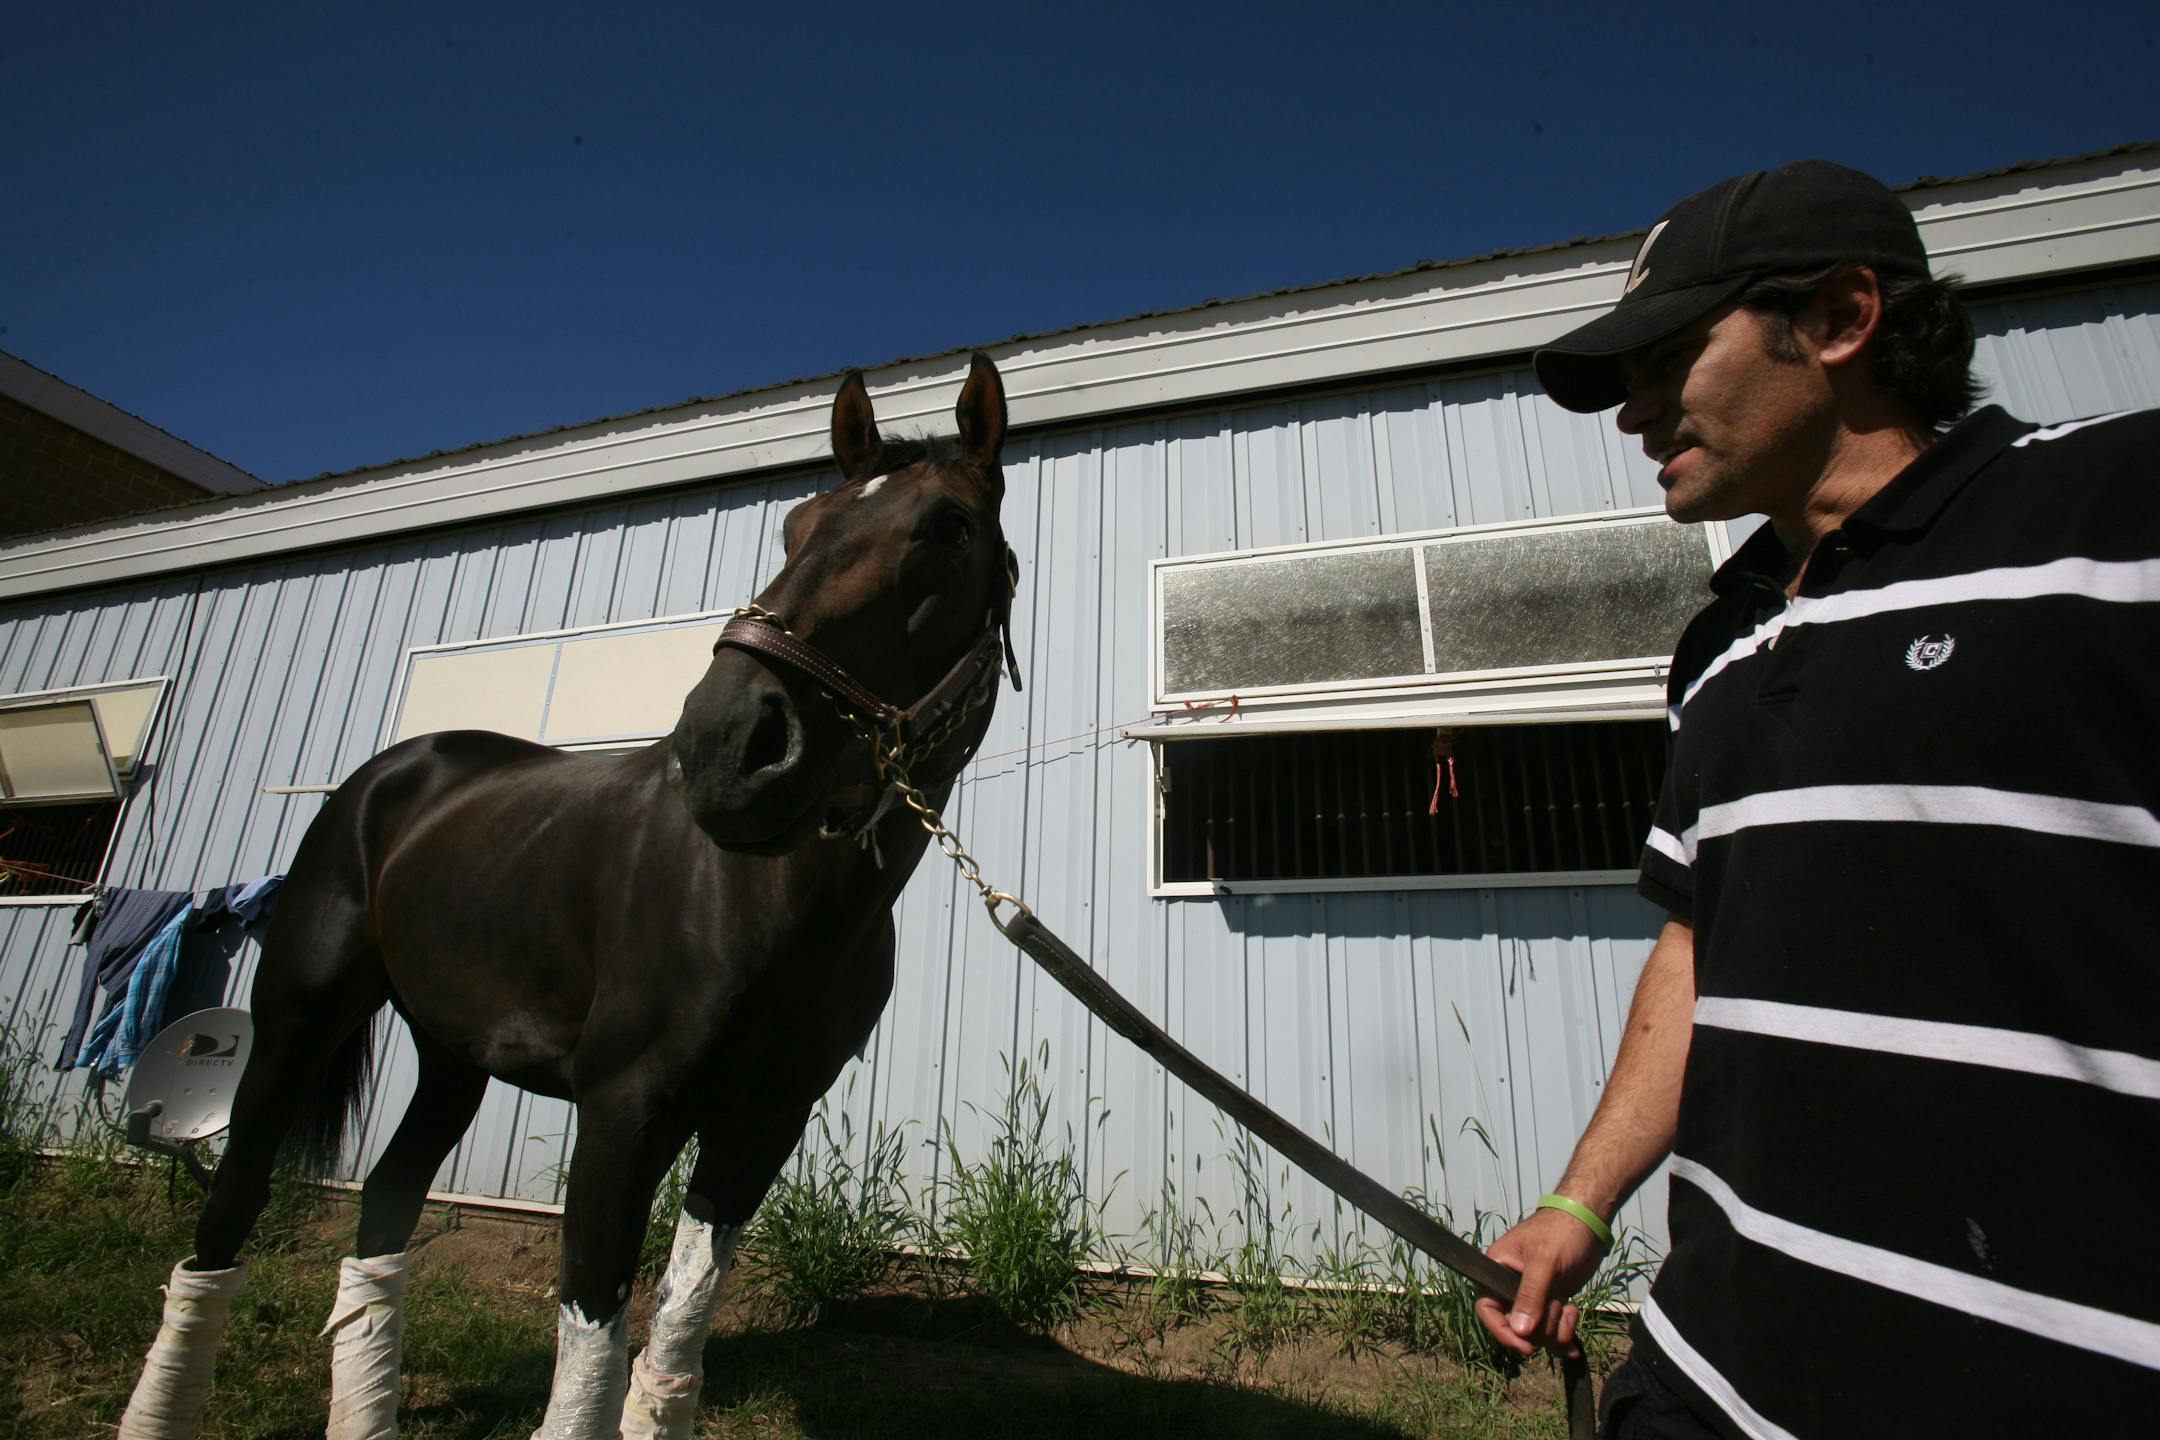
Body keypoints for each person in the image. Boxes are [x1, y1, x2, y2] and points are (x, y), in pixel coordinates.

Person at [1472, 159, 2160, 1436]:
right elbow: (1696, 941)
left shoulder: (2113, 517)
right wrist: (1578, 1207)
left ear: (1844, 320)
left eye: (1668, 356)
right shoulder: (1719, 648)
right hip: (1706, 1381)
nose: (1634, 414)